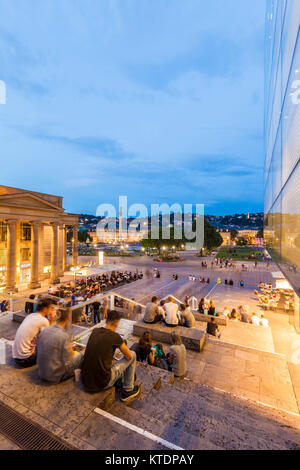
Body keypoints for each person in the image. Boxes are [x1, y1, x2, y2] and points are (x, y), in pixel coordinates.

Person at [81, 310, 142, 403]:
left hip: (85, 381)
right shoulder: (115, 336)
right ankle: (128, 390)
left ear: (106, 320)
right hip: (101, 383)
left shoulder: (95, 331)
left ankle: (121, 381)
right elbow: (129, 356)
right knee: (133, 354)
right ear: (117, 323)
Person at [36, 308, 84, 383]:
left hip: (41, 372)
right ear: (69, 319)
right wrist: (80, 353)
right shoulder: (64, 336)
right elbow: (69, 361)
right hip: (55, 376)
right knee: (82, 354)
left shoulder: (45, 330)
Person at [12, 298, 57, 368]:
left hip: (16, 357)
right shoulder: (43, 320)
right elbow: (48, 339)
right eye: (51, 308)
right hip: (26, 359)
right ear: (45, 309)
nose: (52, 310)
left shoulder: (30, 315)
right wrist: (52, 318)